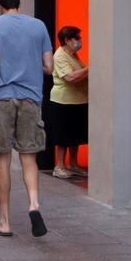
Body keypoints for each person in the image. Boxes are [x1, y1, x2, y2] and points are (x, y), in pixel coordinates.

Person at [0, 0, 53, 238]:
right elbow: (49, 67)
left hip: (2, 97)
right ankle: (33, 204)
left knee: (2, 158)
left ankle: (5, 221)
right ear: (18, 0)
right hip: (31, 98)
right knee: (29, 157)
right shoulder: (39, 26)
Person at [49, 26, 89, 180]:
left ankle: (73, 164)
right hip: (63, 101)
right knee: (63, 135)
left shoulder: (73, 54)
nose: (80, 41)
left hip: (78, 99)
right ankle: (59, 166)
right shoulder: (60, 56)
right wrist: (89, 70)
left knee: (75, 135)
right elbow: (70, 77)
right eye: (76, 38)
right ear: (67, 40)